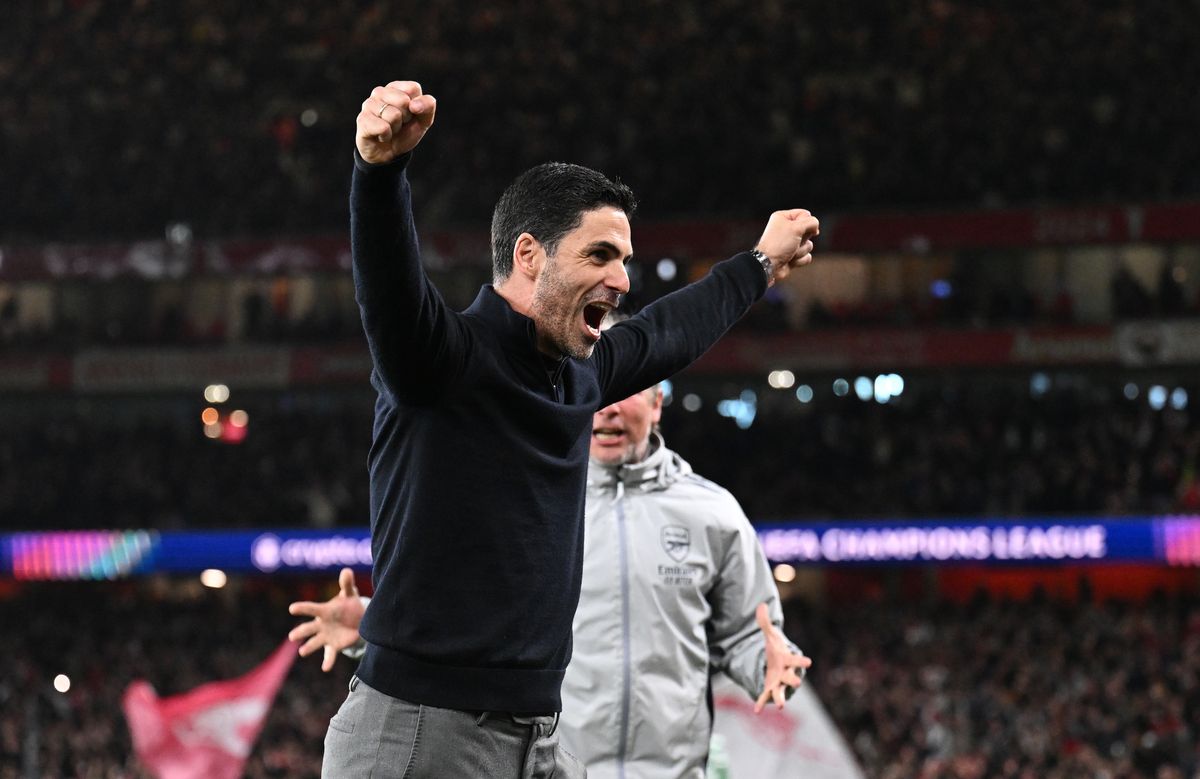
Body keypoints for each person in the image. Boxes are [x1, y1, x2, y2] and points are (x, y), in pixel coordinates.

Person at [323, 78, 819, 778]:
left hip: (539, 740)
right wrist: (378, 172)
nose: (620, 279)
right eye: (600, 255)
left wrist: (760, 264)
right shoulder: (440, 361)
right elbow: (389, 288)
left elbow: (670, 331)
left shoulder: (577, 372)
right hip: (421, 734)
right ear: (530, 255)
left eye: (624, 260)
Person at [291, 383, 810, 778]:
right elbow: (465, 625)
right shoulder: (526, 502)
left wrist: (765, 661)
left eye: (627, 392)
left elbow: (749, 633)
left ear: (656, 402)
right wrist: (375, 629)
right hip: (554, 768)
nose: (607, 409)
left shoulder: (713, 514)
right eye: (596, 393)